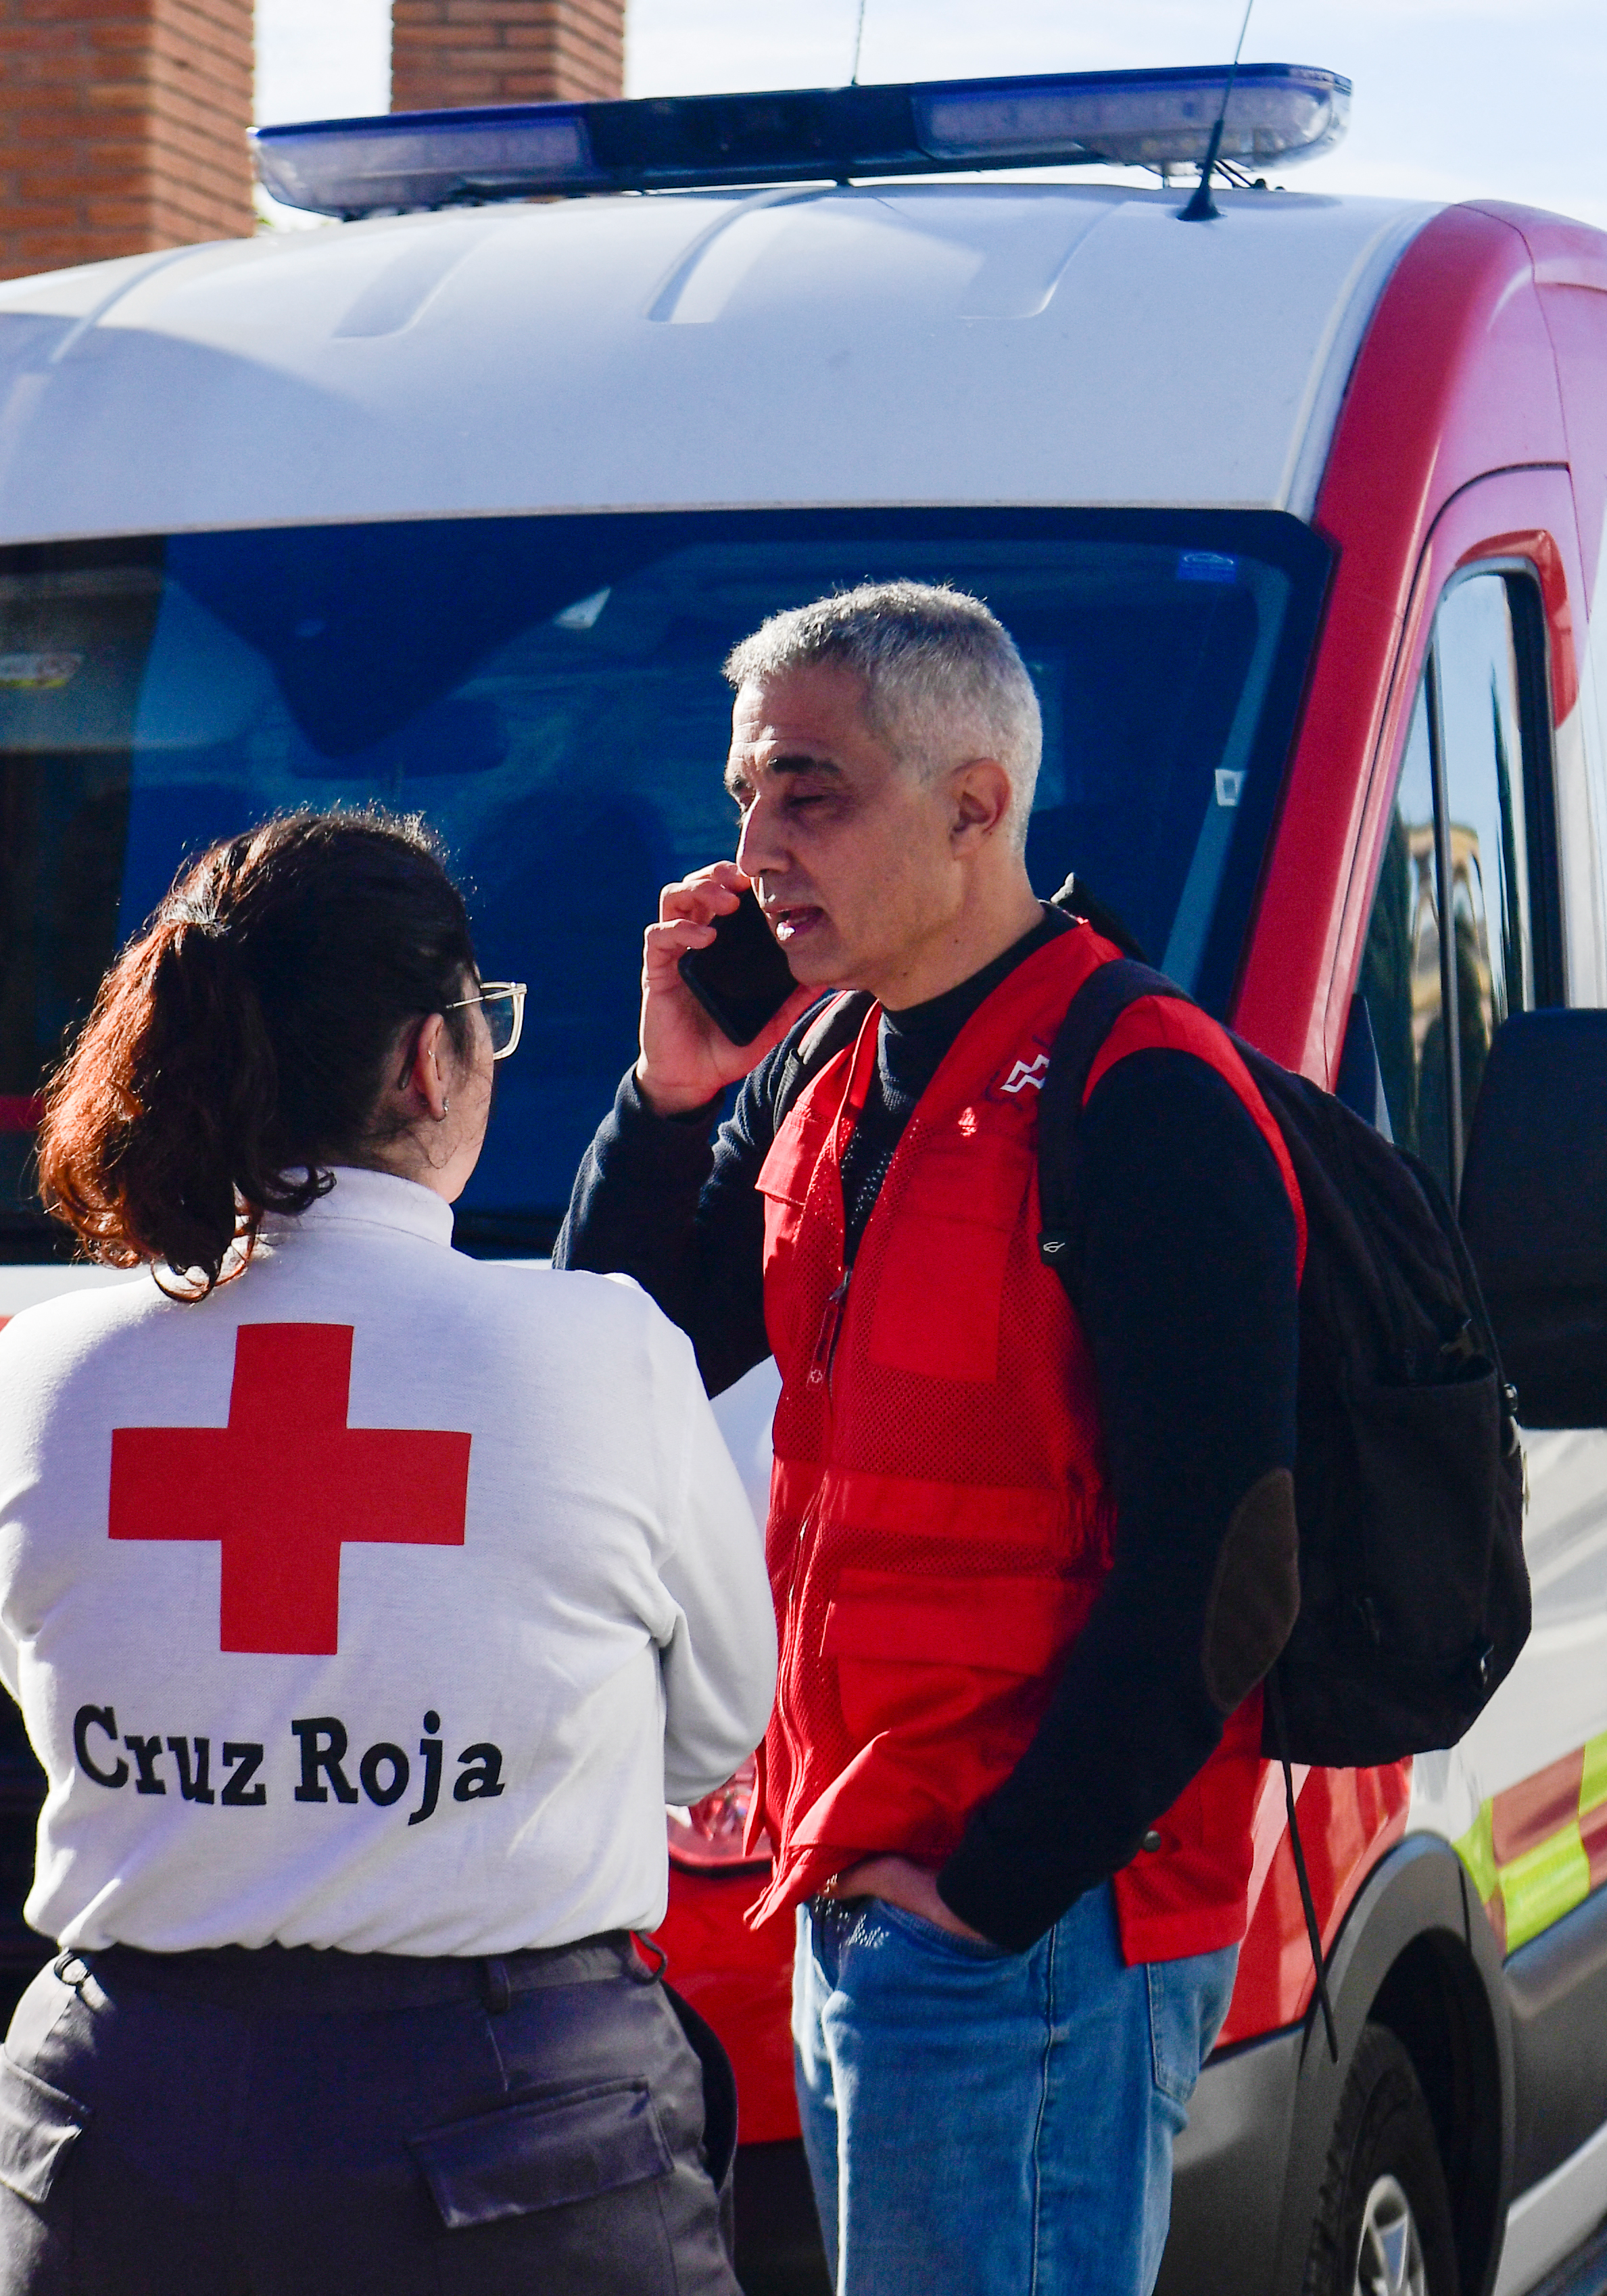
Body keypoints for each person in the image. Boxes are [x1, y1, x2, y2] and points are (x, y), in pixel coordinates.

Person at [558, 585, 1306, 2294]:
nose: (756, 850)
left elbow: (1230, 1558)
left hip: (1031, 1931)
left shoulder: (1146, 1090)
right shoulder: (817, 1071)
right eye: (744, 797)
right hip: (863, 1898)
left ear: (977, 806)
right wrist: (668, 1097)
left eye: (809, 794)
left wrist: (997, 1889)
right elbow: (615, 1362)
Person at [0, 807, 773, 2296]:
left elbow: (47, 1680)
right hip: (514, 2140)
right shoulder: (599, 1350)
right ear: (427, 1058)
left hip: (117, 2128)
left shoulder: (40, 1366)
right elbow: (716, 1727)